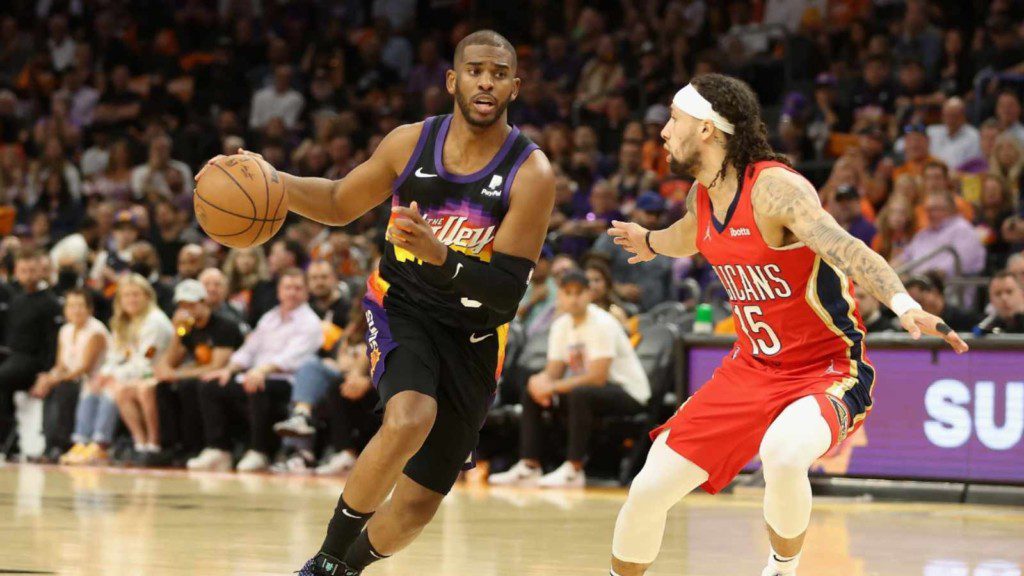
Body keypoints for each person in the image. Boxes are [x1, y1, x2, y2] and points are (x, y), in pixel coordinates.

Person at [197, 29, 553, 576]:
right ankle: (323, 561)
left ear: (514, 87)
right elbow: (341, 202)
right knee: (411, 415)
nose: (487, 81)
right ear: (454, 80)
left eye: (500, 73)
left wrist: (442, 257)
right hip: (401, 304)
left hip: (477, 332)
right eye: (477, 70)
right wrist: (273, 182)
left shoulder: (531, 173)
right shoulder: (409, 142)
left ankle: (348, 568)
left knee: (414, 508)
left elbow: (504, 296)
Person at [605, 74, 966, 576]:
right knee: (646, 491)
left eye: (674, 119)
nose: (664, 131)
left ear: (707, 130)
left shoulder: (775, 188)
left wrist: (903, 303)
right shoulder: (703, 194)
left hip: (825, 367)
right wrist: (648, 242)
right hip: (750, 370)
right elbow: (686, 237)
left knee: (782, 454)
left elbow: (848, 247)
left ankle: (782, 567)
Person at [489, 270, 649, 488]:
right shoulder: (561, 325)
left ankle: (573, 470)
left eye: (579, 293)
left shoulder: (602, 323)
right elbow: (553, 372)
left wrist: (552, 386)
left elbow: (597, 377)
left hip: (629, 392)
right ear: (560, 296)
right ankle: (529, 466)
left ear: (589, 295)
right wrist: (538, 383)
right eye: (568, 293)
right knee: (532, 392)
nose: (574, 299)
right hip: (592, 391)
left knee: (579, 394)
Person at [188, 269, 322, 472]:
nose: (292, 293)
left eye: (297, 288)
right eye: (287, 288)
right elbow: (249, 350)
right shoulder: (269, 317)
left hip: (288, 381)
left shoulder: (310, 322)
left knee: (258, 385)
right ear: (279, 291)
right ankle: (219, 449)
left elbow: (294, 357)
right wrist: (229, 370)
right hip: (255, 374)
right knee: (210, 385)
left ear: (306, 293)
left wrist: (262, 370)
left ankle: (260, 451)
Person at [150, 279, 244, 463]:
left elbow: (217, 366)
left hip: (231, 374)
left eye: (191, 304)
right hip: (204, 374)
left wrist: (176, 374)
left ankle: (199, 446)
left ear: (203, 302)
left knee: (188, 386)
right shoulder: (189, 328)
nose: (187, 310)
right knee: (163, 387)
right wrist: (177, 332)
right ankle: (172, 446)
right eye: (183, 305)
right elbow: (170, 362)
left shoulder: (224, 325)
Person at [30, 288, 108, 461]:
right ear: (65, 310)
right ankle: (49, 444)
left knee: (63, 388)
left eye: (80, 305)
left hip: (93, 381)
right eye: (71, 306)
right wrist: (49, 377)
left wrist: (56, 379)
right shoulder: (65, 330)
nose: (76, 310)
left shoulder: (96, 331)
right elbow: (61, 364)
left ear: (90, 309)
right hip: (71, 378)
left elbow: (85, 368)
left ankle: (63, 443)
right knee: (48, 387)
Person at [106, 274, 175, 464]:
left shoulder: (156, 321)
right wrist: (111, 374)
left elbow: (147, 360)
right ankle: (140, 443)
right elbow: (114, 356)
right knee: (121, 390)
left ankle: (154, 444)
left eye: (136, 294)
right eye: (126, 295)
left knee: (142, 388)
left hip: (159, 371)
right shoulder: (123, 322)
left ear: (147, 296)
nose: (131, 300)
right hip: (136, 374)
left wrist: (117, 374)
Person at [0, 249, 62, 458]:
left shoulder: (50, 303)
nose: (27, 275)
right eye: (23, 270)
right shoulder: (16, 300)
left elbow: (53, 343)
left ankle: (7, 441)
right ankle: (11, 442)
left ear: (40, 272)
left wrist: (46, 373)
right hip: (13, 357)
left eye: (31, 271)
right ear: (16, 271)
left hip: (34, 361)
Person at [594, 191, 674, 311]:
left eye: (658, 214)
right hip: (616, 307)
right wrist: (616, 288)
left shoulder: (665, 241)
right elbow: (593, 266)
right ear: (636, 211)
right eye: (649, 213)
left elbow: (669, 284)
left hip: (656, 314)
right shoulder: (615, 236)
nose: (653, 218)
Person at [896, 190, 986, 278]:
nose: (930, 214)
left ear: (951, 209)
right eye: (928, 209)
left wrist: (915, 280)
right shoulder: (923, 234)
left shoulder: (963, 230)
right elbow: (903, 259)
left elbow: (955, 267)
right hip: (915, 285)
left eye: (935, 209)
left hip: (947, 288)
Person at [904, 274, 979, 332]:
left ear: (934, 291)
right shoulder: (910, 324)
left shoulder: (965, 319)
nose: (917, 305)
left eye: (919, 300)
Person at [975, 270, 1024, 335]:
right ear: (991, 300)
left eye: (1009, 292)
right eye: (998, 294)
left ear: (1022, 294)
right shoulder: (986, 326)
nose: (1004, 298)